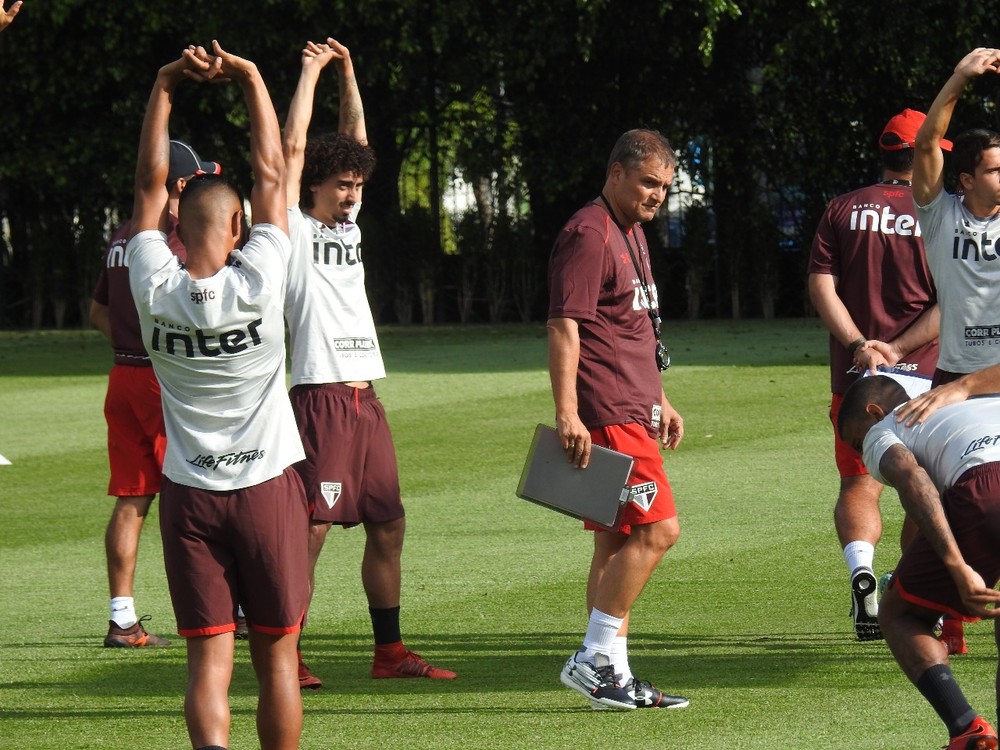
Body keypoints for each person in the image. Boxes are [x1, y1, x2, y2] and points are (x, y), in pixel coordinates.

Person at [126, 42, 308, 750]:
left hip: (189, 496)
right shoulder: (258, 276)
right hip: (265, 490)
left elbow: (147, 183)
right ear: (237, 228)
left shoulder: (151, 282)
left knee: (208, 660)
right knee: (278, 658)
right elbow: (271, 173)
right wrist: (253, 78)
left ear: (177, 225)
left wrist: (165, 80)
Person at [281, 38, 455, 688]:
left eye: (356, 186)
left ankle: (391, 653)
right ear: (313, 188)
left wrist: (350, 71)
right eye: (341, 185)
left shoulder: (349, 227)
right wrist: (308, 76)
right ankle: (286, 652)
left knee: (388, 524)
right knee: (314, 529)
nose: (353, 195)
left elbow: (356, 138)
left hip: (364, 399)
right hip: (319, 398)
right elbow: (294, 149)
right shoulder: (291, 230)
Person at [547, 128, 688, 711]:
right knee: (659, 530)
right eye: (649, 182)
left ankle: (612, 673)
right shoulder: (588, 232)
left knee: (613, 543)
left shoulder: (628, 229)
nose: (658, 195)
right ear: (616, 174)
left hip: (635, 405)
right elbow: (564, 325)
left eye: (665, 186)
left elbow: (632, 326)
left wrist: (663, 399)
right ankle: (594, 657)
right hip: (609, 412)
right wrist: (567, 412)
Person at [808, 108, 948, 641]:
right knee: (927, 486)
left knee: (858, 483)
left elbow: (822, 285)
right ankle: (907, 588)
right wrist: (896, 347)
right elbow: (949, 302)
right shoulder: (939, 213)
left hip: (856, 379)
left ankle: (861, 570)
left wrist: (858, 346)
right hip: (925, 379)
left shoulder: (842, 208)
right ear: (920, 154)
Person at [90, 139, 221, 649]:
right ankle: (219, 607)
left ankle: (122, 618)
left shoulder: (122, 236)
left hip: (122, 376)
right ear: (182, 184)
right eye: (199, 179)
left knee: (131, 497)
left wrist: (131, 342)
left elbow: (98, 311)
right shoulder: (178, 239)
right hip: (164, 380)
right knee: (199, 492)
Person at [837, 375, 1000, 750]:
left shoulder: (886, 427)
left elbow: (912, 477)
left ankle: (967, 729)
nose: (863, 455)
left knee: (898, 615)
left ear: (873, 412)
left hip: (985, 491)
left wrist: (956, 564)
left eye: (858, 443)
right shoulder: (974, 398)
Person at [908, 46, 1000, 656]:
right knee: (928, 503)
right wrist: (959, 79)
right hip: (953, 377)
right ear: (965, 179)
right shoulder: (942, 218)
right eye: (995, 169)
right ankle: (933, 605)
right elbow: (926, 144)